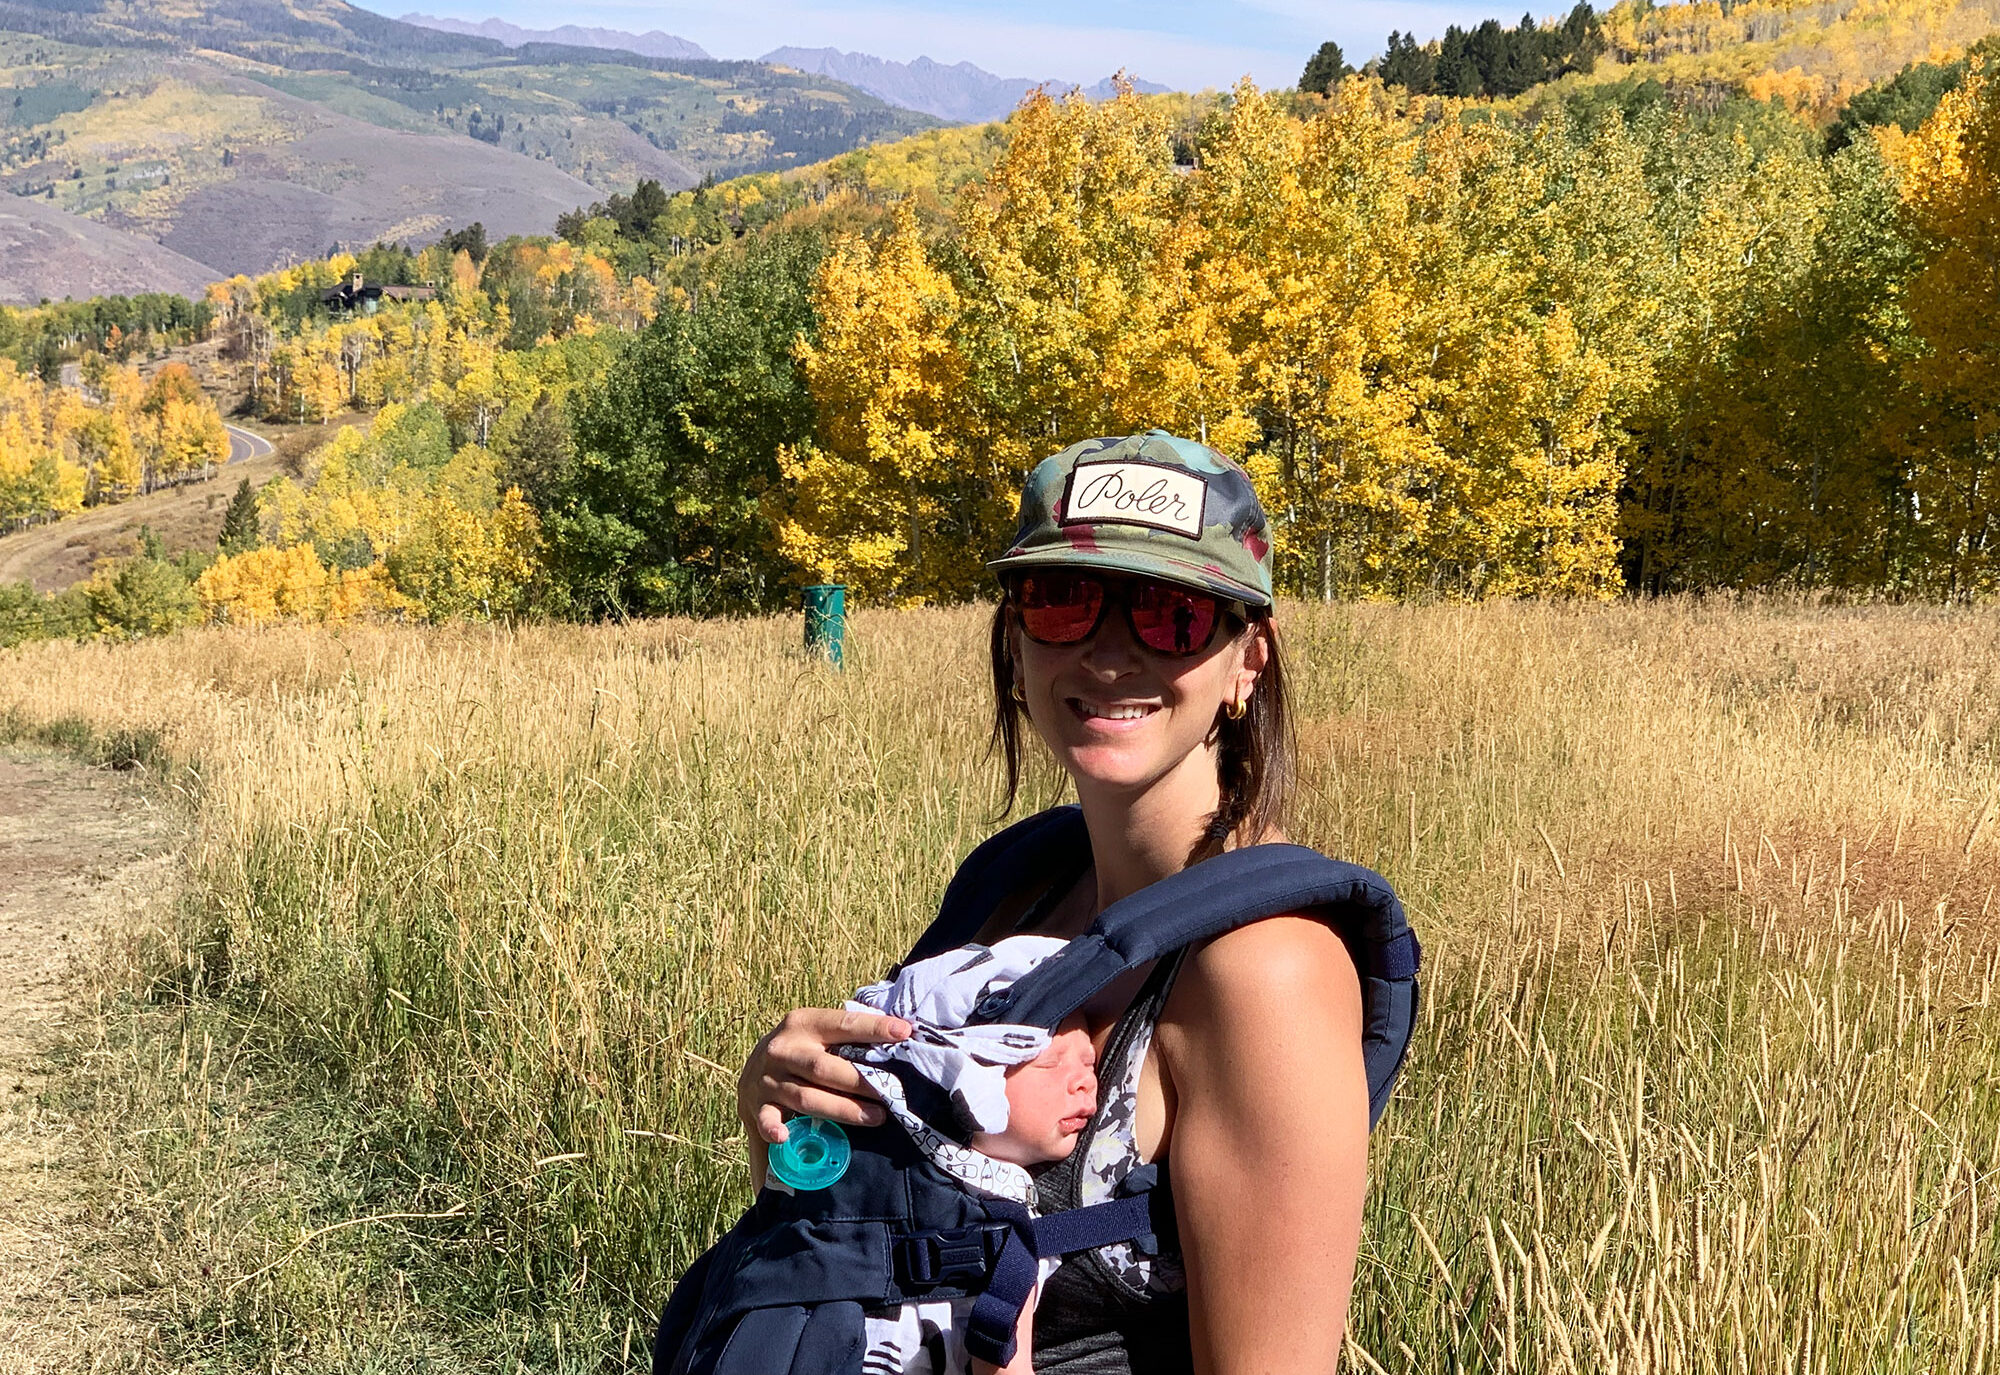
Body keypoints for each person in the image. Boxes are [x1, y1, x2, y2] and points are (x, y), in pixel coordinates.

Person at [739, 430, 1372, 1374]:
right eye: (1064, 599)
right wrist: (788, 1120)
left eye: (1170, 613)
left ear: (1250, 658)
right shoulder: (1012, 886)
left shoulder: (1265, 972)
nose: (1109, 653)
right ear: (1017, 633)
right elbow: (860, 1245)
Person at [833, 935, 1099, 1375]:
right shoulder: (1005, 1231)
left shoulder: (863, 1165)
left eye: (1090, 1064)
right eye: (1051, 1064)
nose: (1084, 1082)